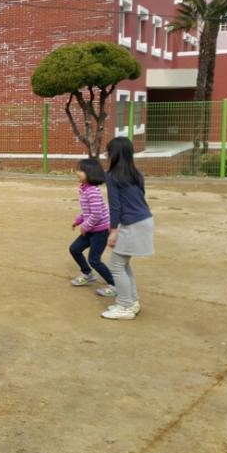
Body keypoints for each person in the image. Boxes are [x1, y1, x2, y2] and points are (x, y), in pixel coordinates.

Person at [102, 137, 154, 320]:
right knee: (123, 264)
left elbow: (115, 206)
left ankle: (124, 306)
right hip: (144, 220)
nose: (106, 155)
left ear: (114, 154)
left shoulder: (112, 176)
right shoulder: (136, 173)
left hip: (132, 224)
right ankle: (132, 301)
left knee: (116, 266)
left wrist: (113, 231)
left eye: (108, 151)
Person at [69, 158, 116, 297]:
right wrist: (78, 220)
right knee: (74, 249)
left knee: (94, 260)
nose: (77, 172)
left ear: (90, 173)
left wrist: (85, 226)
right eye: (78, 169)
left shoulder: (92, 191)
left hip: (100, 231)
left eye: (81, 170)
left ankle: (115, 285)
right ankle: (87, 274)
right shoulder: (84, 189)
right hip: (91, 229)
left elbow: (97, 214)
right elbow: (88, 212)